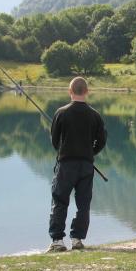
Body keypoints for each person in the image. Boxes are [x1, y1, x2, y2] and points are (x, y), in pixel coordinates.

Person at [47, 76, 107, 252]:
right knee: (83, 203)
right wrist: (90, 153)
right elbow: (101, 141)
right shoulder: (95, 115)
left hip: (66, 165)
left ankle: (57, 240)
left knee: (59, 200)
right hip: (86, 165)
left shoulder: (61, 113)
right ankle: (77, 239)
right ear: (87, 91)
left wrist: (64, 150)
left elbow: (55, 141)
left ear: (70, 91)